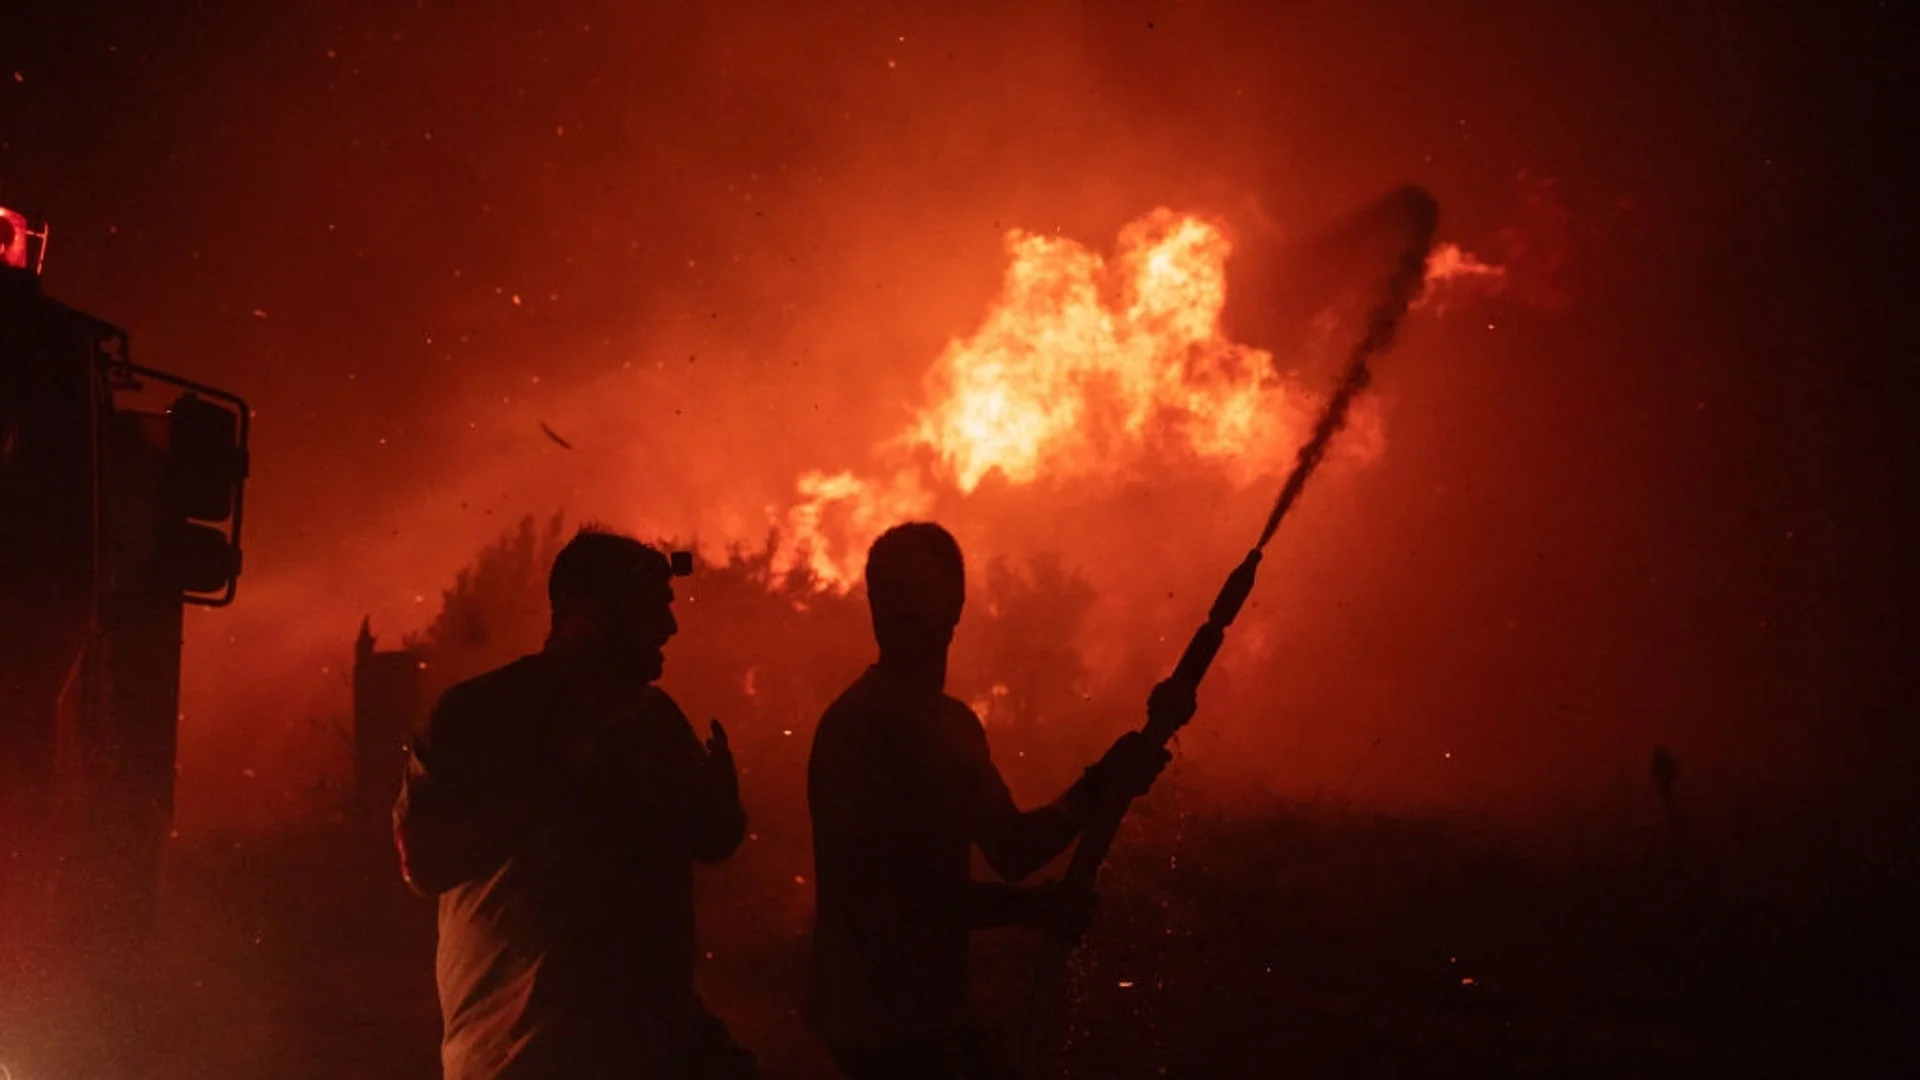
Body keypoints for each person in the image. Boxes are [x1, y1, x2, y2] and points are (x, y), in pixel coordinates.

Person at [807, 522, 1185, 1079]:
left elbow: (1012, 849)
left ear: (955, 605)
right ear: (875, 604)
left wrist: (1105, 779)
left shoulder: (948, 726)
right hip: (880, 1032)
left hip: (930, 1019)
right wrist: (1031, 909)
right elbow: (899, 898)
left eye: (922, 596)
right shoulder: (859, 731)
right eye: (898, 596)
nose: (910, 614)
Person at [393, 527, 758, 1079]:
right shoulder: (482, 714)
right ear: (582, 611)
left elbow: (711, 840)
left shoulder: (656, 720)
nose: (669, 626)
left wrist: (720, 805)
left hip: (655, 1052)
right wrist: (558, 771)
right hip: (524, 1058)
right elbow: (425, 861)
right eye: (648, 609)